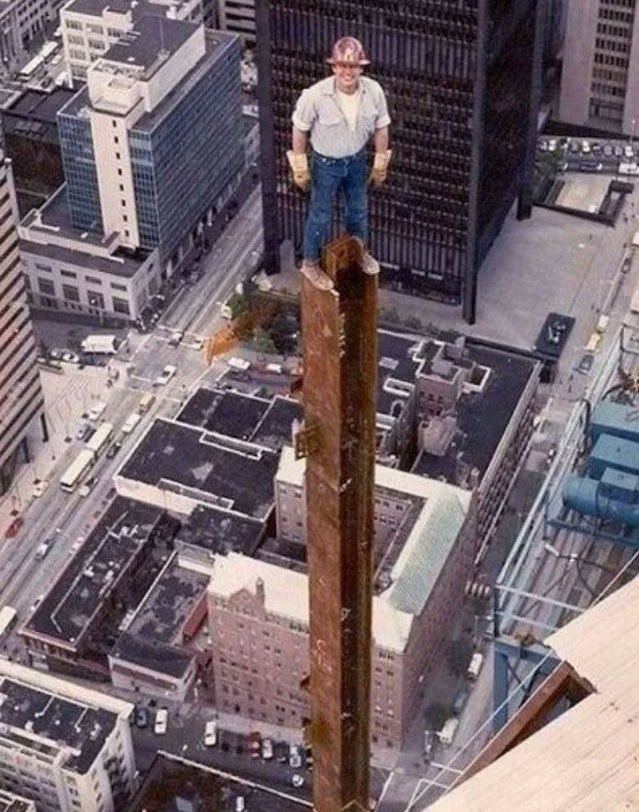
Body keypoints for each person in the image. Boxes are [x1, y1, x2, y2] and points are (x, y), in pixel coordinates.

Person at [287, 36, 391, 290]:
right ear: (333, 67)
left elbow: (381, 127)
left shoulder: (373, 91)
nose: (348, 72)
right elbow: (299, 129)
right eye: (342, 66)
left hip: (356, 161)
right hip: (326, 165)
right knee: (320, 215)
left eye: (353, 66)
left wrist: (380, 162)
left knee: (357, 211)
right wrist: (300, 166)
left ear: (361, 68)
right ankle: (310, 263)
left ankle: (358, 253)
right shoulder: (316, 95)